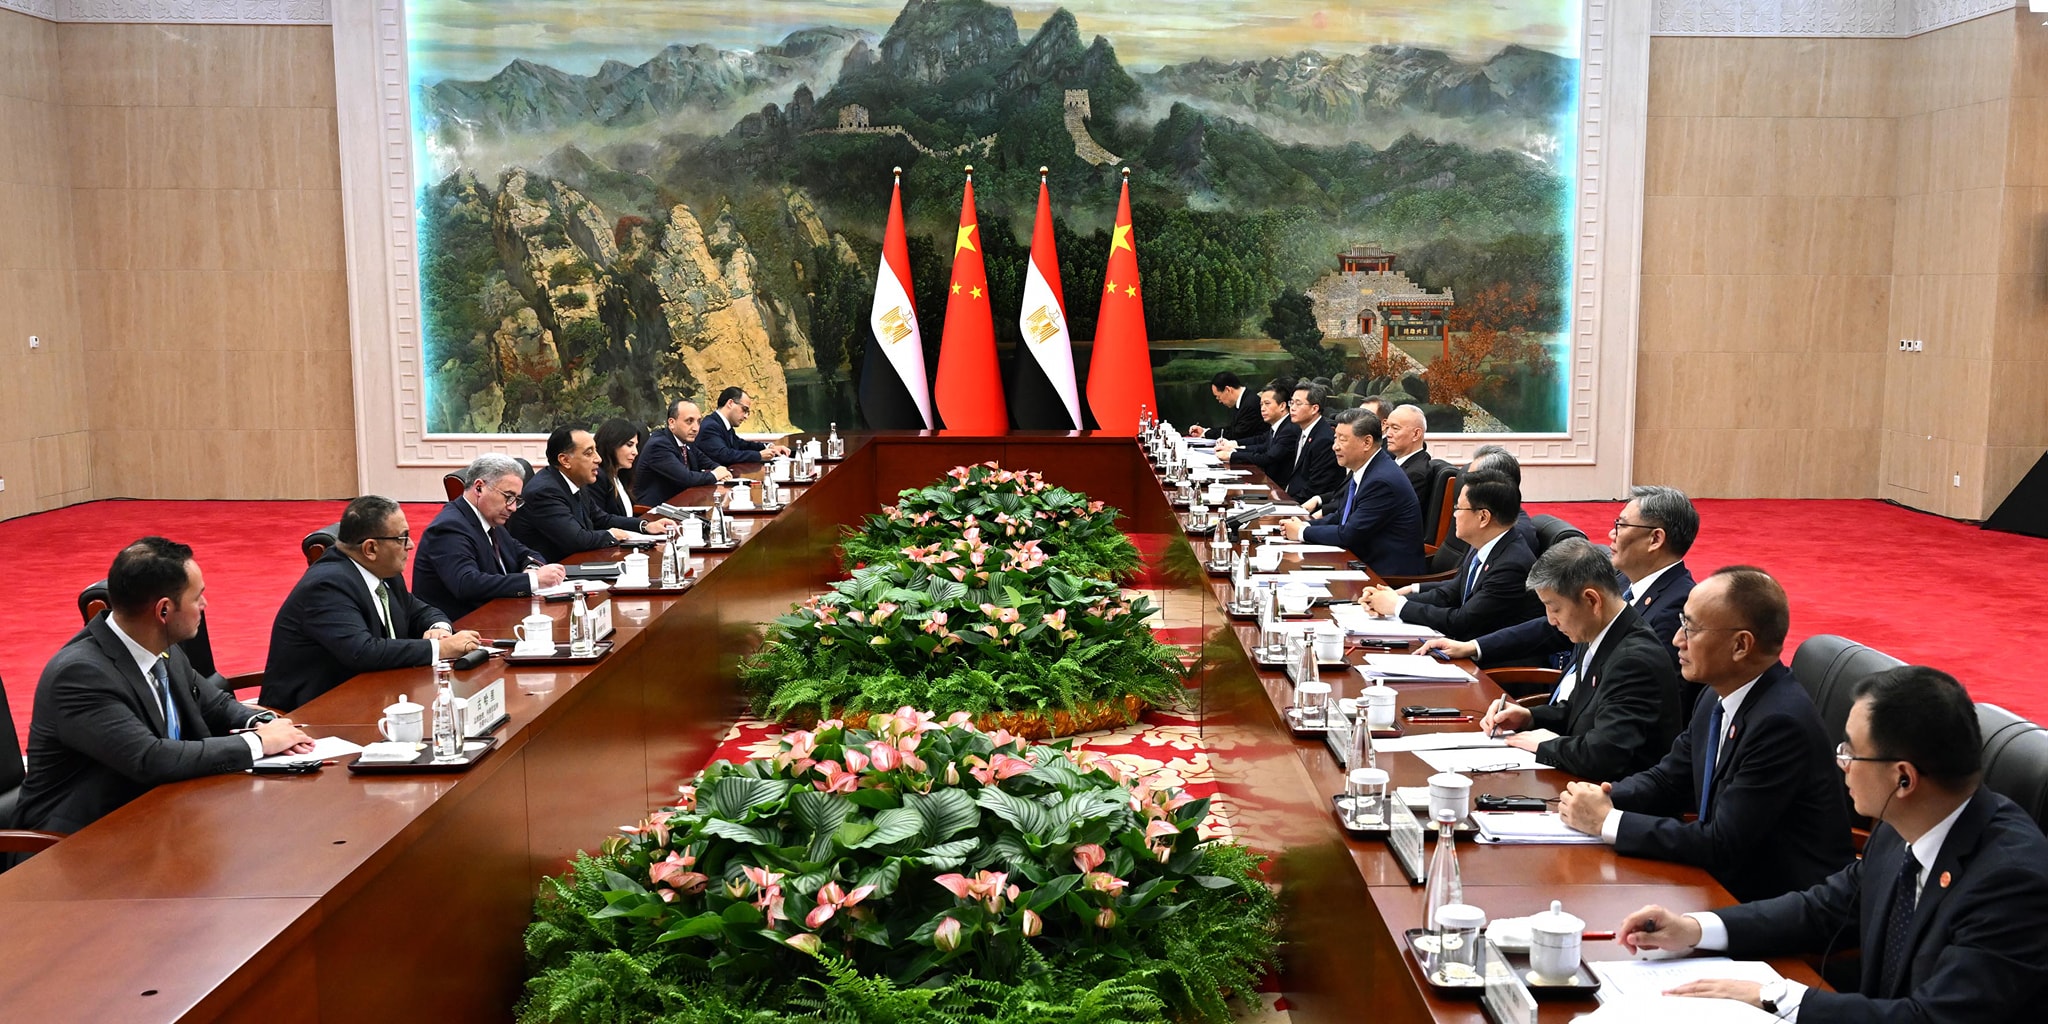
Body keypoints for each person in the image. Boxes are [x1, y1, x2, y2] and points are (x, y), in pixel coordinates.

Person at [1617, 666, 2048, 1022]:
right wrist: (1695, 929)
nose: (1840, 763)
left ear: (1903, 778)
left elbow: (1932, 1017)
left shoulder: (2010, 882)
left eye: (1850, 752)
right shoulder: (1904, 824)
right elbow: (1823, 908)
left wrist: (1775, 996)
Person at [1556, 566, 1851, 901]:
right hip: (1720, 883)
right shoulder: (1715, 696)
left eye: (1691, 629)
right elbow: (1669, 780)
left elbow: (1721, 843)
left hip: (1777, 903)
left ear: (1741, 645)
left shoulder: (1780, 724)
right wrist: (1601, 797)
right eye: (1681, 622)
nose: (1677, 640)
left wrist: (1609, 822)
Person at [16, 538, 315, 834]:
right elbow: (150, 758)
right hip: (78, 839)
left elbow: (216, 705)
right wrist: (258, 743)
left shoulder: (160, 647)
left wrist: (266, 723)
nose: (204, 605)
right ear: (164, 611)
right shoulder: (80, 675)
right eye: (197, 597)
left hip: (161, 813)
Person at [1425, 485, 1701, 715]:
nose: (1611, 534)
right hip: (1560, 713)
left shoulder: (1677, 606)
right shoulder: (1623, 581)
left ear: (1655, 539)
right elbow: (1552, 628)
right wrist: (1473, 647)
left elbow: (1642, 703)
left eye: (1621, 525)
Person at [1476, 539, 1684, 782]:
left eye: (1554, 608)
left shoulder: (1634, 660)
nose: (1551, 620)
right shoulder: (1597, 632)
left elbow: (1605, 755)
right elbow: (1578, 712)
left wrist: (1546, 745)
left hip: (1618, 795)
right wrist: (1529, 717)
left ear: (1591, 600)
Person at [260, 496, 485, 711]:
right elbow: (363, 651)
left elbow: (419, 610)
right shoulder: (327, 586)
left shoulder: (383, 571)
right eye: (402, 537)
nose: (410, 545)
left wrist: (439, 629)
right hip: (311, 713)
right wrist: (441, 649)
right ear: (370, 549)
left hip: (371, 694)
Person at [1362, 473, 1542, 639]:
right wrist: (1388, 599)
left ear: (1483, 517)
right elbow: (1449, 594)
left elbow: (1463, 622)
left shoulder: (1511, 565)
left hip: (1491, 658)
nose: (1454, 514)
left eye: (1459, 507)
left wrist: (1398, 606)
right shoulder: (1484, 545)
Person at [413, 454, 569, 620]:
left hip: (496, 616)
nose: (513, 507)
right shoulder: (449, 527)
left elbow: (526, 554)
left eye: (516, 499)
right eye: (508, 497)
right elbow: (467, 584)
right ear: (479, 488)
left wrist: (532, 568)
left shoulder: (490, 520)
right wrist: (532, 580)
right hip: (462, 626)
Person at [1277, 408, 1424, 575]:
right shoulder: (1366, 470)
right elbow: (1341, 516)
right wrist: (1304, 525)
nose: (1335, 447)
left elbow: (1350, 533)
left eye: (1343, 439)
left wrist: (1301, 532)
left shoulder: (1382, 481)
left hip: (1385, 575)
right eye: (1335, 438)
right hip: (1360, 561)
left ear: (1367, 442)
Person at [509, 426, 670, 563]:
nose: (598, 459)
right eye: (588, 453)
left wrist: (645, 526)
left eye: (596, 451)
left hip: (577, 563)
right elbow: (576, 540)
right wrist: (611, 534)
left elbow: (602, 519)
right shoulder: (545, 492)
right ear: (565, 460)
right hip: (554, 572)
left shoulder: (576, 481)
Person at [636, 399, 732, 506]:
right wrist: (715, 474)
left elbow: (707, 462)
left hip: (681, 503)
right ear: (672, 423)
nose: (696, 428)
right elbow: (686, 478)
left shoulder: (686, 440)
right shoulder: (659, 445)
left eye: (698, 422)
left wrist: (720, 470)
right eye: (689, 421)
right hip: (656, 510)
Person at [1214, 380, 1299, 488]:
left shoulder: (1289, 429)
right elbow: (1261, 444)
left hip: (1281, 488)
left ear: (1282, 406)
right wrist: (1233, 446)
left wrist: (1231, 455)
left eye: (1267, 404)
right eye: (1261, 404)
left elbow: (1267, 457)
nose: (1262, 409)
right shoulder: (1279, 425)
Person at [696, 387, 790, 467]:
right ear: (730, 403)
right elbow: (724, 455)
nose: (746, 416)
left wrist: (769, 447)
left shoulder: (723, 424)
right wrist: (758, 455)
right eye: (744, 410)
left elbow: (741, 444)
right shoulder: (710, 426)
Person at [1281, 383, 1343, 504]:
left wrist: (1288, 504)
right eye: (1291, 402)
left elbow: (1316, 486)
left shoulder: (1324, 440)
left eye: (1298, 403)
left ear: (1314, 408)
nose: (1292, 408)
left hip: (1308, 505)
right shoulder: (1303, 430)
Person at [593, 418, 648, 519]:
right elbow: (601, 521)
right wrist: (642, 525)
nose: (635, 452)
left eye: (636, 446)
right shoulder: (597, 477)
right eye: (629, 445)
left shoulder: (619, 476)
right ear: (612, 444)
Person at [1185, 371, 1264, 441]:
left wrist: (1206, 433)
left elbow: (1237, 434)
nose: (1219, 401)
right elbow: (1232, 429)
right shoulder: (1244, 400)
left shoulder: (1250, 404)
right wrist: (1205, 431)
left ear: (1228, 390)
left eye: (1218, 397)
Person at [1381, 404, 1432, 500]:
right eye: (1387, 428)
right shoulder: (1394, 463)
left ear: (1416, 434)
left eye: (1395, 428)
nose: (1388, 434)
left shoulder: (1415, 474)